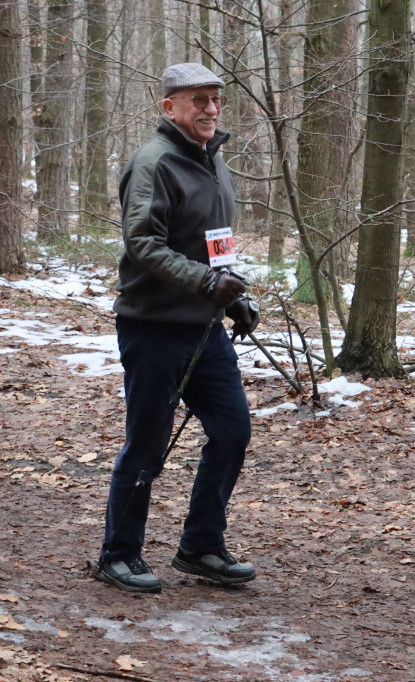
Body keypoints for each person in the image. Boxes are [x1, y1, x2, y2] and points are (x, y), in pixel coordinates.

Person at [96, 63, 260, 594]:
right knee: (147, 443)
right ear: (170, 107)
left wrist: (234, 299)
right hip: (154, 329)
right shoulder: (154, 163)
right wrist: (204, 285)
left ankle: (201, 546)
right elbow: (144, 244)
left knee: (233, 431)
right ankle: (118, 555)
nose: (211, 109)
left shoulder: (213, 161)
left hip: (205, 329)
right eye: (198, 100)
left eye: (216, 99)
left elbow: (216, 244)